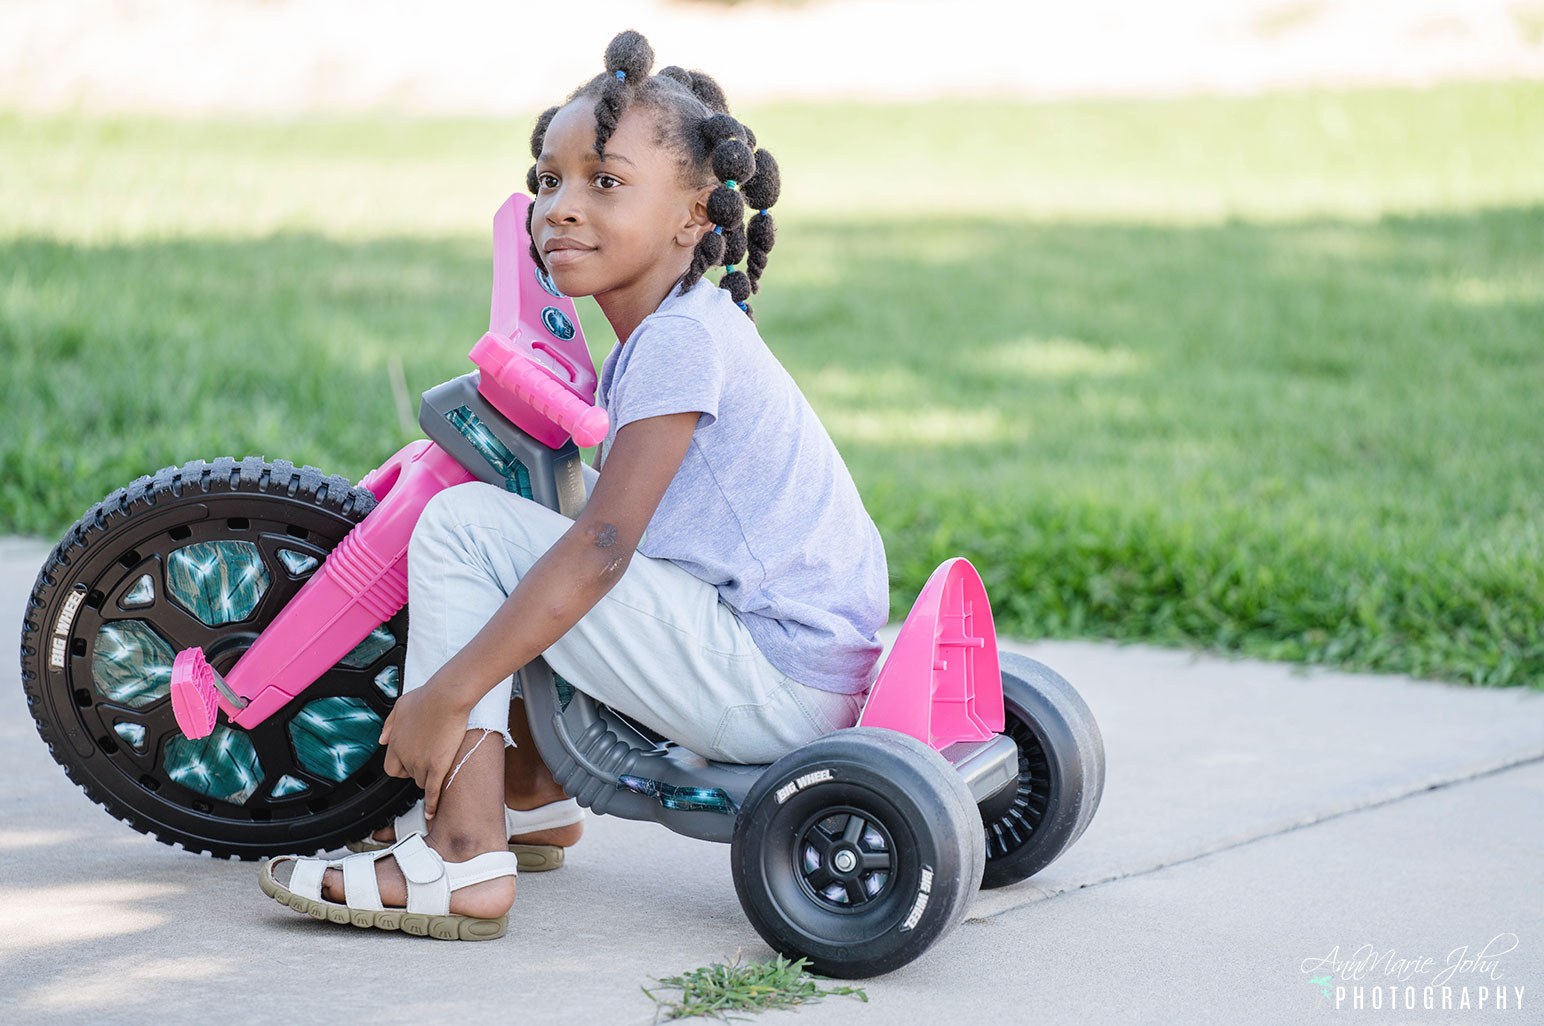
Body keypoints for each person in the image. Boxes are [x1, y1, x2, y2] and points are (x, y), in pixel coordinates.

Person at [258, 29, 889, 938]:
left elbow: (602, 549)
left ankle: (463, 854)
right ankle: (533, 791)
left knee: (468, 528)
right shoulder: (681, 324)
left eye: (605, 181)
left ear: (694, 212)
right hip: (805, 665)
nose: (560, 208)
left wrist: (442, 695)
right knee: (537, 517)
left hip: (772, 683)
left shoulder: (675, 343)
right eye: (549, 182)